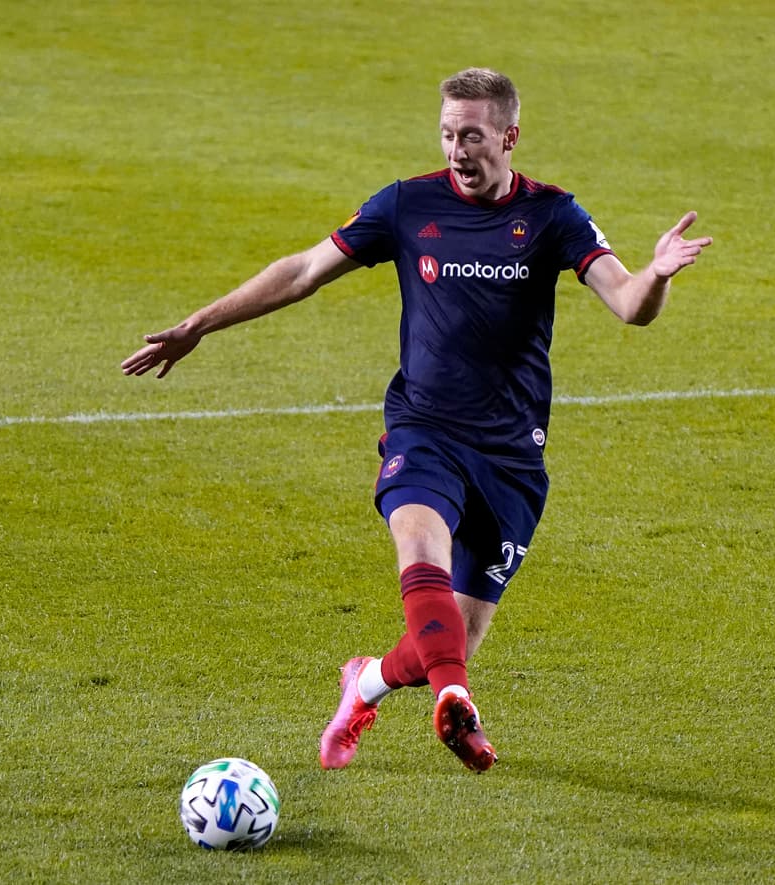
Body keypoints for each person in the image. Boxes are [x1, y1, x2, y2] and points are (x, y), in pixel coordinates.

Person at [121, 67, 712, 773]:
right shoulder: (407, 205)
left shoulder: (554, 216)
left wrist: (658, 276)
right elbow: (303, 270)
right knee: (422, 554)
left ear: (509, 136)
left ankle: (365, 682)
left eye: (471, 135)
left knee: (443, 637)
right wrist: (200, 324)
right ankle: (458, 701)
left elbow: (628, 304)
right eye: (446, 133)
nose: (457, 149)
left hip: (512, 459)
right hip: (423, 430)